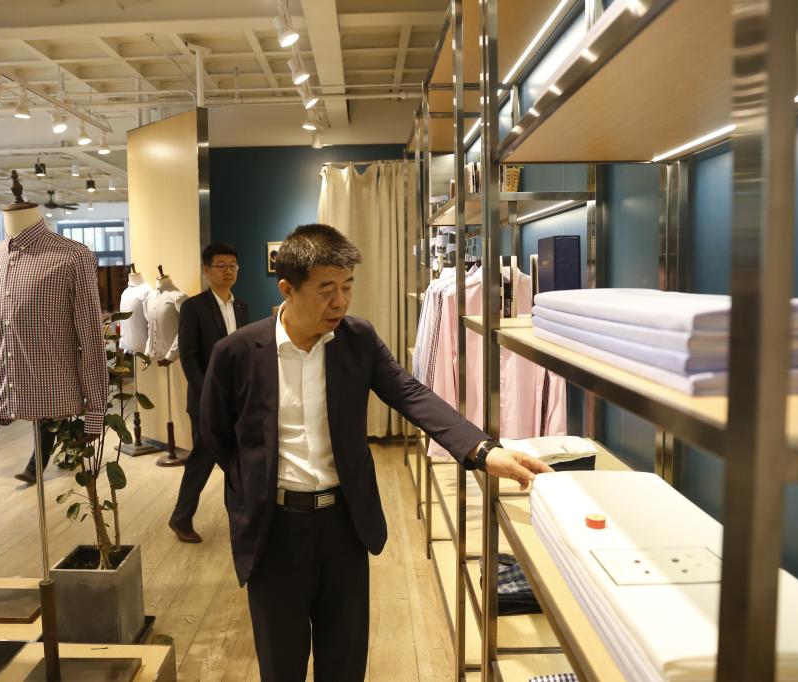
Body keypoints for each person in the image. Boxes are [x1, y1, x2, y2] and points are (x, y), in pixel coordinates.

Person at [200, 224, 553, 682]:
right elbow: (216, 434)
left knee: (345, 664)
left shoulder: (357, 339)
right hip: (274, 531)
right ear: (287, 288)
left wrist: (482, 450)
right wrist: (253, 486)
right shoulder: (237, 352)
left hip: (344, 525)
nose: (340, 302)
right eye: (326, 289)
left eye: (347, 287)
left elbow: (409, 393)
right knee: (280, 665)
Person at [167, 243, 249, 543]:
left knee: (237, 460)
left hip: (236, 400)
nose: (228, 271)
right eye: (220, 265)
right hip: (205, 401)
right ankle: (181, 518)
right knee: (202, 460)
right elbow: (189, 358)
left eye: (233, 266)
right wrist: (208, 397)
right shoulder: (194, 307)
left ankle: (240, 517)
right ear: (206, 270)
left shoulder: (241, 307)